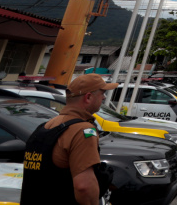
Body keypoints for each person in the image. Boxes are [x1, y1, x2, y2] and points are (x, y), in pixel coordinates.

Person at [20, 73, 119, 205]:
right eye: (102, 93)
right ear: (88, 97)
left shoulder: (45, 126)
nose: (104, 97)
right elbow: (84, 187)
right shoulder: (82, 130)